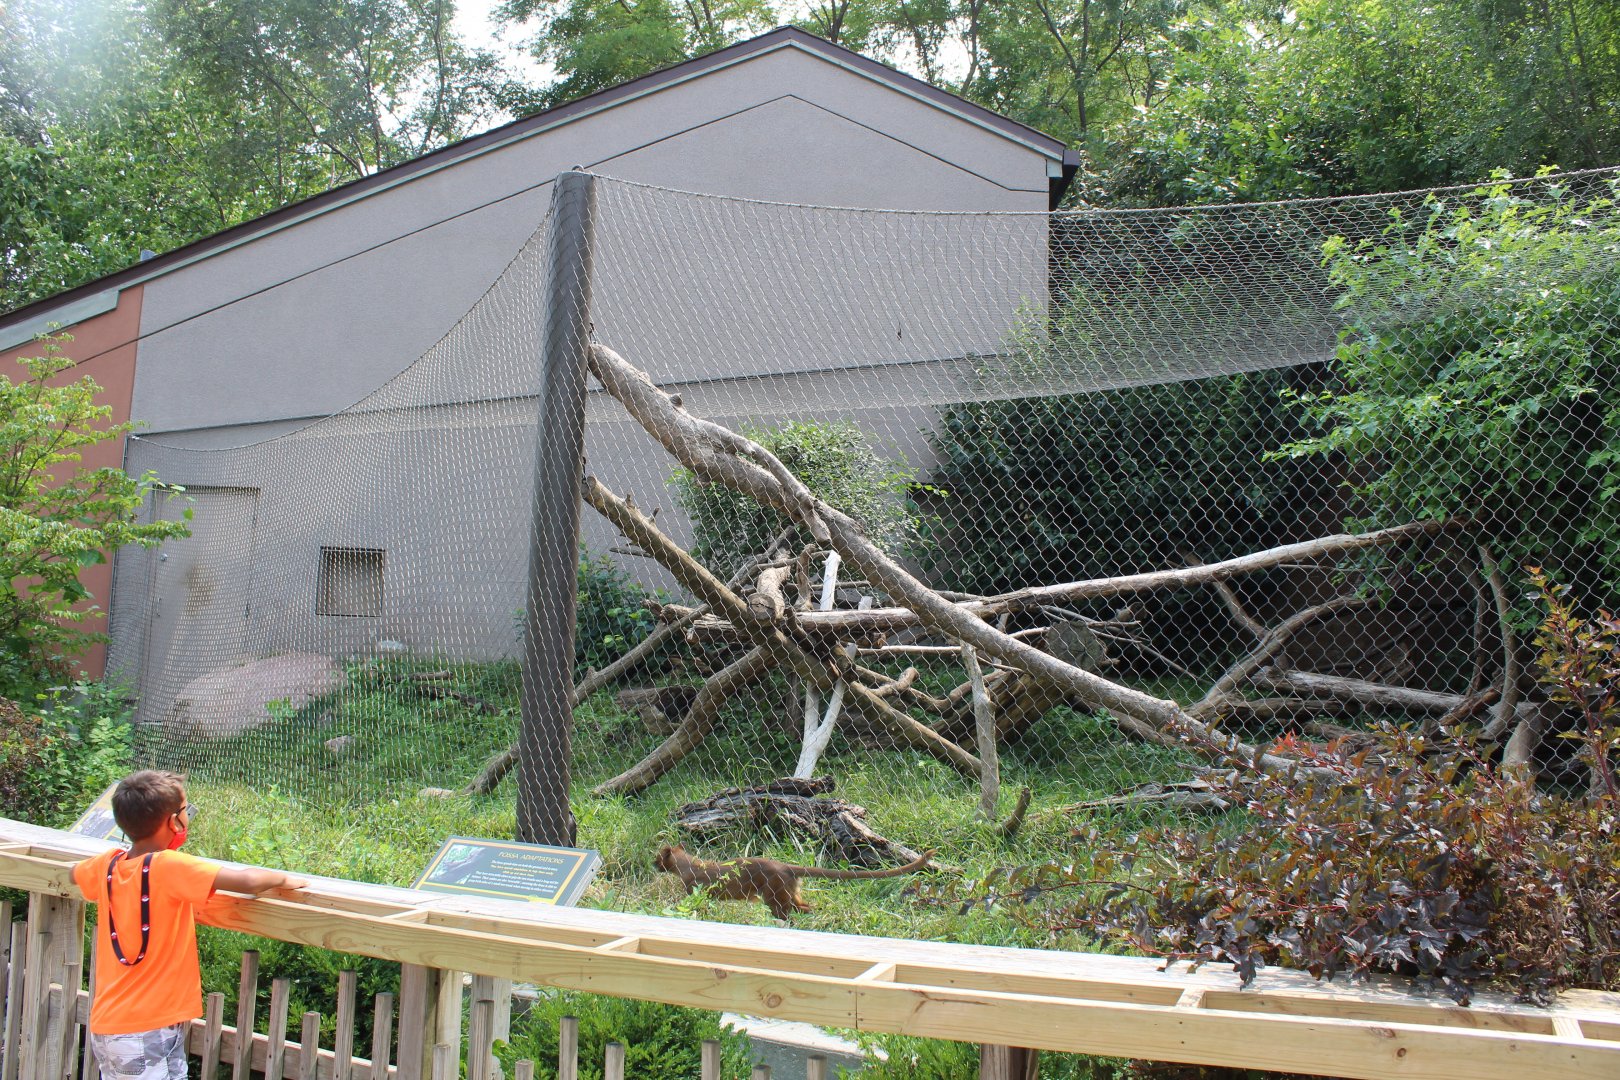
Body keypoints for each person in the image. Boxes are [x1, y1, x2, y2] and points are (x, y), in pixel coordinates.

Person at [71, 770, 307, 1080]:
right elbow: (249, 882)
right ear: (173, 822)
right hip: (146, 1029)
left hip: (113, 1025)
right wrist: (285, 878)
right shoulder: (168, 865)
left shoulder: (107, 864)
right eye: (186, 810)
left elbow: (75, 872)